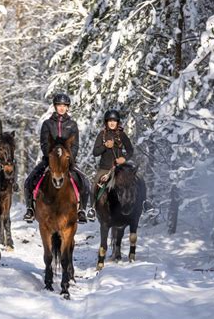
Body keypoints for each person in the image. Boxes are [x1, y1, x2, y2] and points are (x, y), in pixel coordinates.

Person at [23, 93, 90, 224]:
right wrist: (51, 156)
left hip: (66, 161)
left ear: (67, 107)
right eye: (59, 105)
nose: (61, 108)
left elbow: (75, 145)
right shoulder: (47, 124)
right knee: (29, 181)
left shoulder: (72, 125)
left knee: (85, 182)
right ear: (55, 106)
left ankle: (81, 210)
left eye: (64, 105)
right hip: (50, 160)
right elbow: (44, 142)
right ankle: (30, 209)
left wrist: (69, 158)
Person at [89, 109, 134, 214]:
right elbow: (95, 152)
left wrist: (125, 158)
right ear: (106, 122)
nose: (112, 123)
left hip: (121, 169)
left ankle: (144, 203)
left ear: (118, 122)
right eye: (110, 121)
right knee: (94, 185)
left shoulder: (122, 135)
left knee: (138, 177)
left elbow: (130, 150)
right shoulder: (102, 135)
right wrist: (105, 146)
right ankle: (92, 209)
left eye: (114, 121)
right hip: (105, 169)